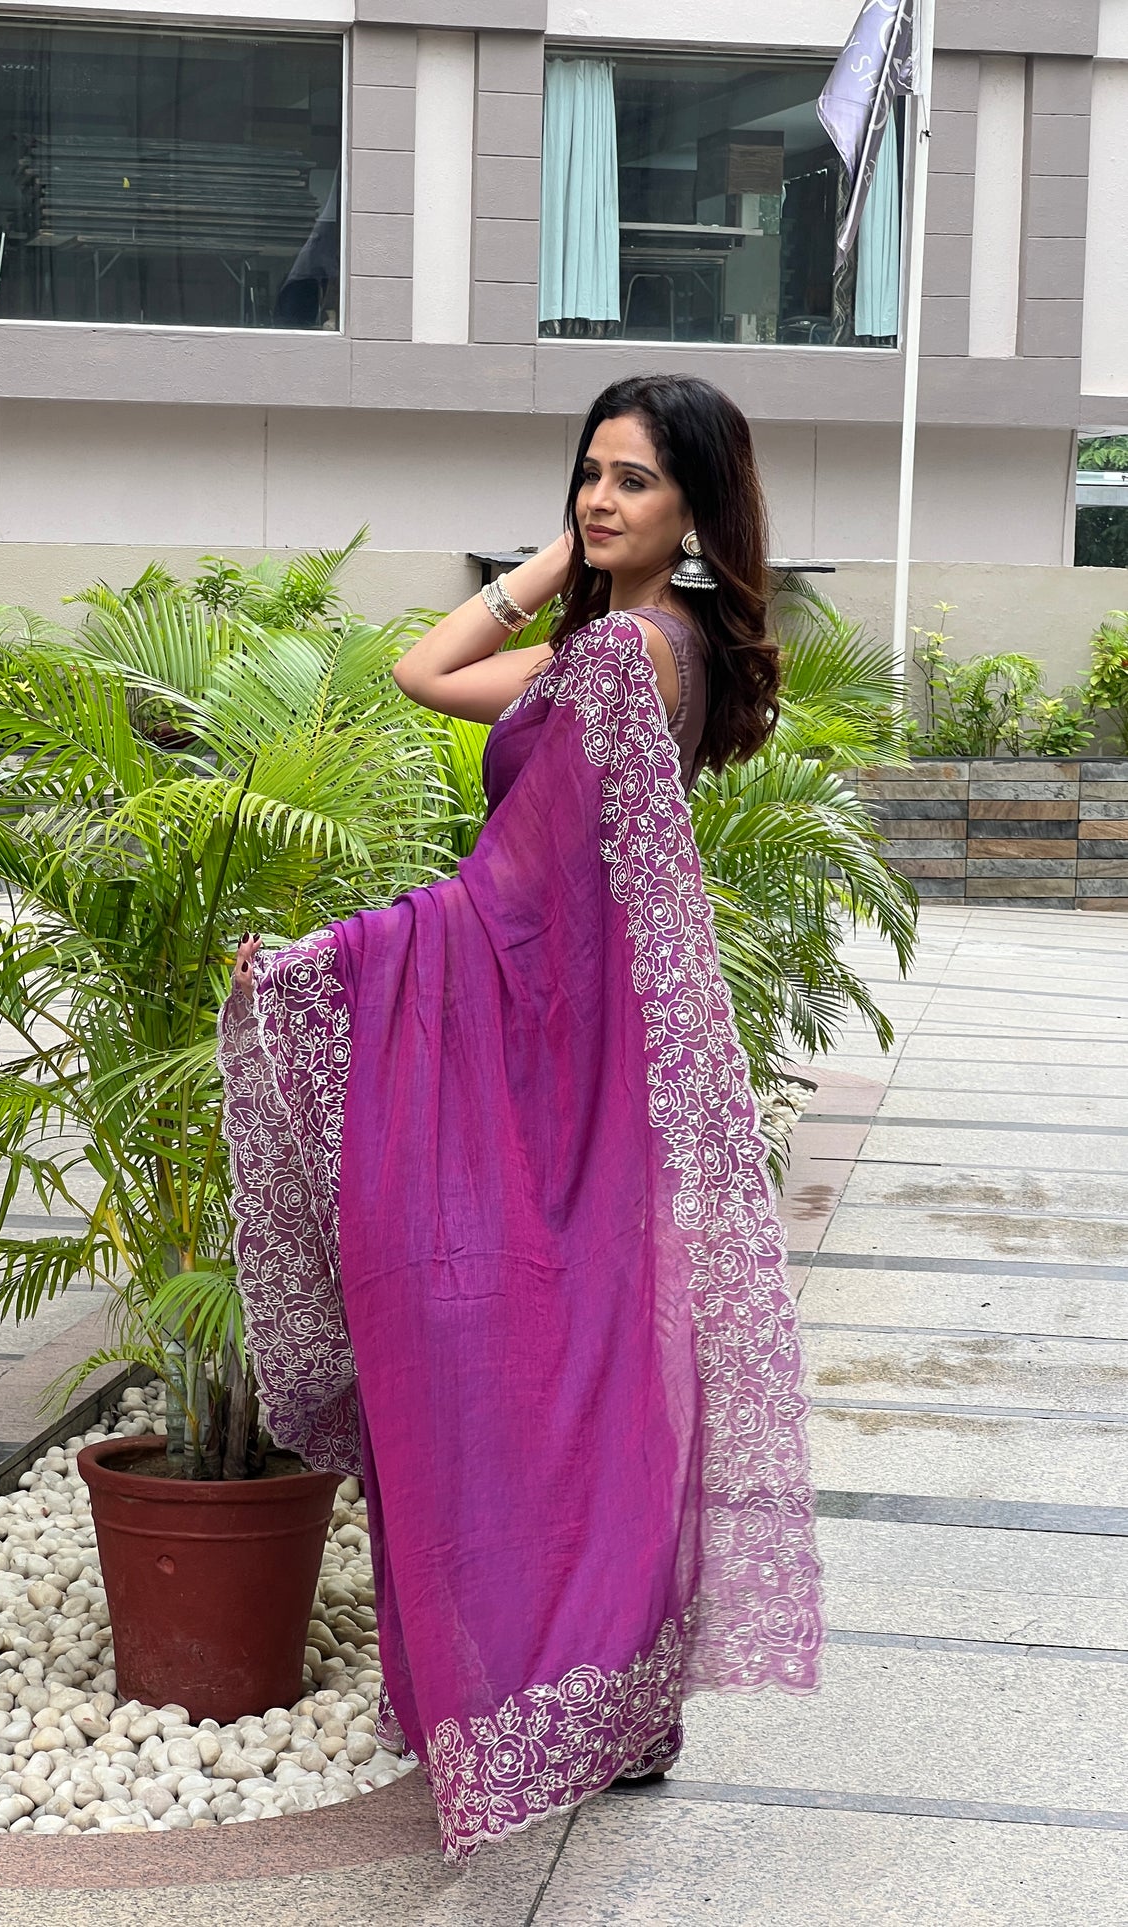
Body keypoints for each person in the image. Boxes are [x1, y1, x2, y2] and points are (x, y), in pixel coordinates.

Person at [218, 374, 822, 1863]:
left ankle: (560, 1684)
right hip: (582, 1048)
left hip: (547, 1048)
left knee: (512, 1352)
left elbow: (511, 894)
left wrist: (330, 962)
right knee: (594, 1353)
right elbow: (426, 677)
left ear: (694, 507)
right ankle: (613, 1697)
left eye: (633, 482)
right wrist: (554, 567)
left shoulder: (627, 650)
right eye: (587, 477)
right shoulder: (645, 643)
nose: (602, 500)